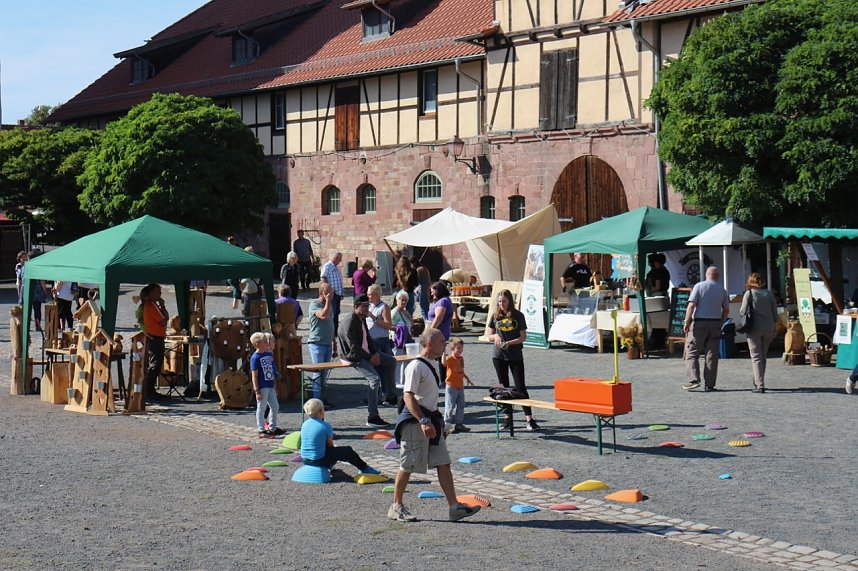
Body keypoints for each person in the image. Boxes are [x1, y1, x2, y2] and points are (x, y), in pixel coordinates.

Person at [387, 328, 481, 523]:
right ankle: (396, 506)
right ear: (429, 344)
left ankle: (454, 507)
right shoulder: (415, 366)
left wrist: (438, 420)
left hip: (431, 420)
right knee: (408, 464)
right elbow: (408, 396)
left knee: (443, 462)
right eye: (441, 342)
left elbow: (428, 397)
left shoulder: (434, 363)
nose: (444, 345)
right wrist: (423, 421)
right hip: (415, 422)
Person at [337, 294, 397, 428]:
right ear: (355, 307)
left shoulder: (362, 318)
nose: (366, 308)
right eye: (363, 306)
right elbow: (354, 348)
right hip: (352, 356)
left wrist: (375, 353)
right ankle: (372, 417)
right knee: (374, 379)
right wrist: (371, 357)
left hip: (366, 353)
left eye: (367, 306)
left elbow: (368, 339)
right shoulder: (350, 322)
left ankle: (390, 396)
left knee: (391, 361)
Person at [488, 289, 540, 431]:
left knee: (520, 386)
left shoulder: (518, 315)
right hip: (498, 355)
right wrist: (496, 337)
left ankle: (529, 419)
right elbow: (489, 335)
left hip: (515, 354)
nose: (502, 304)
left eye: (504, 301)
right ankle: (508, 419)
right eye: (499, 302)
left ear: (510, 301)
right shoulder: (495, 316)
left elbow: (523, 337)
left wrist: (510, 343)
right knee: (503, 388)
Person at [300, 398, 380, 475]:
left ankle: (330, 465)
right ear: (321, 411)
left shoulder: (304, 424)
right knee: (347, 451)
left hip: (305, 459)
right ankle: (364, 468)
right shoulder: (325, 426)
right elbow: (330, 446)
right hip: (319, 460)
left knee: (324, 449)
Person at [682, 266, 730, 392]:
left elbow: (691, 305)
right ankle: (710, 384)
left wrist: (686, 321)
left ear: (706, 275)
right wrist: (721, 322)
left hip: (699, 323)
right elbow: (726, 310)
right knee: (711, 355)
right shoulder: (722, 290)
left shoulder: (699, 286)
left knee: (692, 352)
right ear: (718, 276)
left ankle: (694, 380)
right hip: (715, 323)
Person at [740, 273, 779, 393]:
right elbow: (775, 314)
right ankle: (759, 378)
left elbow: (742, 311)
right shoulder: (769, 294)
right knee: (763, 355)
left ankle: (760, 384)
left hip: (754, 328)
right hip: (768, 328)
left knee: (756, 356)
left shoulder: (749, 294)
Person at [249, 332, 284, 438]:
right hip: (262, 386)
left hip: (270, 385)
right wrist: (257, 391)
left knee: (275, 406)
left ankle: (272, 428)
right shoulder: (255, 358)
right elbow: (254, 376)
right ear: (257, 344)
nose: (267, 343)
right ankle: (261, 430)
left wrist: (275, 382)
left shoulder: (268, 354)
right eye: (264, 342)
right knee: (261, 407)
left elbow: (272, 369)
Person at [308, 281, 335, 405]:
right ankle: (317, 400)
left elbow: (331, 323)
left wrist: (334, 341)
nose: (331, 295)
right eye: (328, 293)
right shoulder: (315, 304)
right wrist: (328, 301)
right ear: (322, 293)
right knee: (318, 372)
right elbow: (323, 316)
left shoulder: (329, 305)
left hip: (328, 343)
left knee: (324, 373)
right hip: (317, 343)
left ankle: (323, 398)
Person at [141, 283, 169, 401]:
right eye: (158, 292)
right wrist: (163, 307)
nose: (160, 294)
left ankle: (149, 390)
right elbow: (164, 321)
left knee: (155, 364)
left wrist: (162, 306)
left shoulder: (151, 305)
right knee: (155, 364)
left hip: (155, 336)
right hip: (155, 337)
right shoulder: (151, 305)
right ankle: (148, 391)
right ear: (152, 293)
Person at [444, 337, 474, 434]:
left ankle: (459, 424)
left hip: (460, 386)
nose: (461, 350)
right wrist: (443, 354)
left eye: (461, 348)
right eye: (458, 348)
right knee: (450, 405)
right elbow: (444, 363)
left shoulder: (461, 358)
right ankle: (447, 424)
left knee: (461, 405)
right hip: (451, 386)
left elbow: (461, 370)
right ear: (452, 349)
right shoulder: (449, 358)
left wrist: (467, 379)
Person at [321, 251, 344, 356]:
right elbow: (323, 278)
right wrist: (328, 291)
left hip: (337, 294)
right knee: (333, 313)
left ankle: (334, 331)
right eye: (339, 258)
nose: (340, 260)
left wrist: (341, 292)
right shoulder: (328, 266)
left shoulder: (335, 267)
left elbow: (338, 280)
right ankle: (332, 332)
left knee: (337, 312)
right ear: (335, 258)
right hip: (332, 294)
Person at [390, 290, 414, 386]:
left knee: (407, 361)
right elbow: (391, 326)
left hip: (407, 339)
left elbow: (411, 324)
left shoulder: (405, 312)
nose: (403, 302)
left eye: (405, 300)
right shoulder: (393, 313)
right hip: (398, 341)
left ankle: (404, 381)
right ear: (397, 300)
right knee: (398, 361)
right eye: (401, 300)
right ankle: (397, 382)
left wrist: (409, 316)